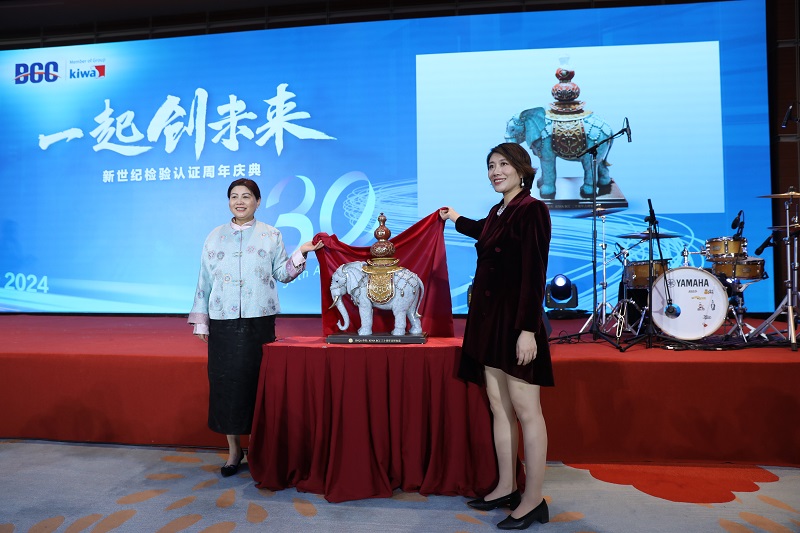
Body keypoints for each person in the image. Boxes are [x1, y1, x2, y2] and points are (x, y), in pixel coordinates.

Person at [439, 143, 553, 530]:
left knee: (526, 411)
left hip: (516, 323)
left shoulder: (532, 209)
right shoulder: (498, 211)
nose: (495, 171)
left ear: (522, 170)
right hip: (488, 323)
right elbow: (483, 232)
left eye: (503, 164)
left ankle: (533, 500)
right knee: (498, 407)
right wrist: (454, 217)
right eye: (490, 166)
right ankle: (506, 487)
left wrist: (528, 330)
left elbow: (535, 272)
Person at [188, 178, 324, 477]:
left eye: (246, 196)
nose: (239, 201)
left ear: (258, 201)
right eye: (234, 196)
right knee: (227, 386)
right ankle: (234, 451)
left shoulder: (271, 234)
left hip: (258, 319)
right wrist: (201, 320)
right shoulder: (214, 236)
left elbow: (283, 274)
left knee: (257, 384)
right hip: (223, 320)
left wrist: (302, 252)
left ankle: (261, 449)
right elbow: (204, 280)